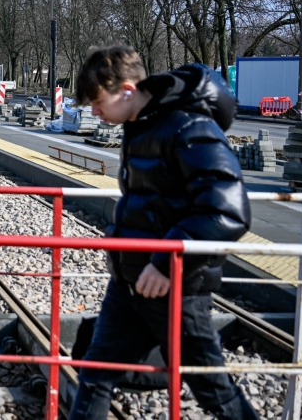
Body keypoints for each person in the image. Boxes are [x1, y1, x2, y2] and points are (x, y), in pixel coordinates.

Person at [68, 46, 258, 420]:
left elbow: (228, 211)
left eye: (96, 100)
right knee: (95, 373)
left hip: (178, 290)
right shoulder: (140, 124)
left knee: (212, 389)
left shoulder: (189, 127)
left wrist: (166, 263)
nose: (93, 111)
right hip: (130, 283)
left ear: (125, 89)